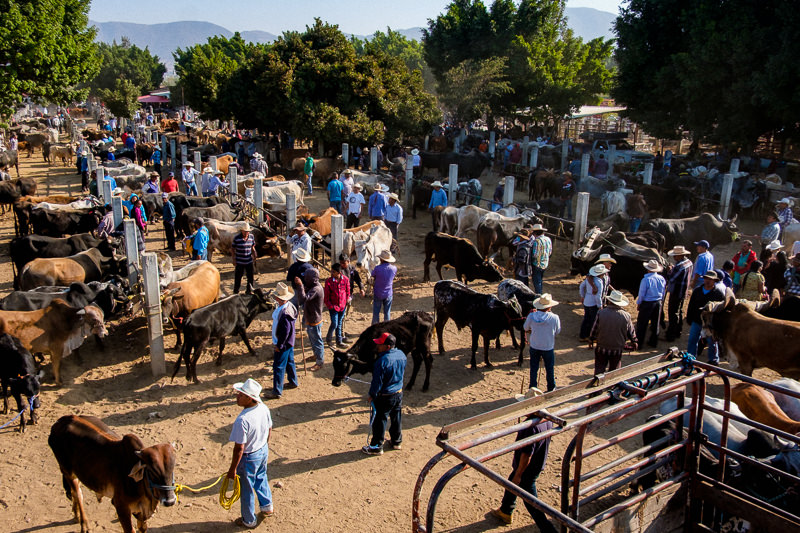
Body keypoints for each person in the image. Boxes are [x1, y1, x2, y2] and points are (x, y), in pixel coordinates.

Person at [490, 388, 557, 532]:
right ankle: (505, 510)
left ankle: (548, 530)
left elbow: (526, 454)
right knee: (511, 481)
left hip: (527, 467)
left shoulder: (529, 427)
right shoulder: (547, 420)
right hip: (537, 465)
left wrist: (519, 474)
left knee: (531, 501)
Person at [227, 378, 273, 529]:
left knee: (246, 488)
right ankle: (267, 506)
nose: (237, 396)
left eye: (241, 394)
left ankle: (248, 520)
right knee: (261, 477)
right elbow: (269, 429)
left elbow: (239, 448)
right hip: (262, 449)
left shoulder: (242, 420)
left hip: (248, 457)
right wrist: (264, 445)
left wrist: (232, 469)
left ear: (249, 398)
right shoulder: (263, 408)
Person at [362, 333, 405, 455]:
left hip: (385, 395)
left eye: (380, 344)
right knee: (396, 417)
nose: (377, 346)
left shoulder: (382, 361)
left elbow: (377, 382)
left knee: (380, 420)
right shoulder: (401, 355)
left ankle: (376, 446)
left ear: (387, 347)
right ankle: (396, 441)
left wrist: (372, 394)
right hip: (398, 392)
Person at [264, 283, 299, 400]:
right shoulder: (289, 306)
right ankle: (293, 381)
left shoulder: (284, 313)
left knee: (278, 366)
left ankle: (277, 391)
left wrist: (279, 345)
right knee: (289, 361)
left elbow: (284, 332)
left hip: (283, 343)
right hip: (289, 341)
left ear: (279, 298)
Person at [590, 290, 638, 374]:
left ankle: (597, 383)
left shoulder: (601, 313)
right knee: (614, 370)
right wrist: (634, 341)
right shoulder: (626, 316)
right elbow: (631, 332)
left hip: (602, 346)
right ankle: (612, 385)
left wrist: (591, 339)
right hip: (617, 348)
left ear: (609, 301)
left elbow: (595, 329)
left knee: (599, 367)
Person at [686, 271, 725, 364]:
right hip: (697, 320)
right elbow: (691, 305)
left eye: (710, 279)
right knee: (692, 340)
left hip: (710, 323)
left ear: (714, 281)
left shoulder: (718, 294)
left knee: (712, 342)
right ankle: (690, 358)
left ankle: (713, 360)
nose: (707, 281)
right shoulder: (697, 290)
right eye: (706, 278)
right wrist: (689, 317)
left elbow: (721, 310)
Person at [524, 294, 561, 392]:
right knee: (549, 368)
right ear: (549, 307)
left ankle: (532, 387)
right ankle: (551, 387)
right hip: (547, 346)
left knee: (534, 368)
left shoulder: (532, 316)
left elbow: (525, 328)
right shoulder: (554, 317)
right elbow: (557, 331)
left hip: (535, 345)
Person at [295, 268, 325, 371]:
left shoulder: (316, 289)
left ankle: (320, 361)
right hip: (310, 317)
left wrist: (299, 286)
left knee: (317, 341)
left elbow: (303, 299)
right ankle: (316, 355)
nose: (304, 279)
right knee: (313, 340)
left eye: (306, 277)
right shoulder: (312, 286)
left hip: (314, 319)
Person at [665, 245, 693, 342]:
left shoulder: (679, 266)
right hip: (683, 291)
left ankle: (671, 334)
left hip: (676, 292)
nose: (674, 257)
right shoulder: (689, 262)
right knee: (680, 311)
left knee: (672, 313)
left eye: (675, 256)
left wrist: (669, 271)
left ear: (681, 255)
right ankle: (678, 330)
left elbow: (671, 278)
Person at [636, 260, 666, 348]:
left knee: (642, 324)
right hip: (658, 302)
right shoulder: (661, 279)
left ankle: (639, 343)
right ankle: (653, 342)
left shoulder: (645, 280)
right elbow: (663, 292)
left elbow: (641, 293)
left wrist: (639, 303)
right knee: (655, 323)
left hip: (647, 303)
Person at [324, 263, 350, 348]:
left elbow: (347, 292)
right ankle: (329, 338)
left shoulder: (345, 280)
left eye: (333, 272)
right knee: (335, 324)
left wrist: (345, 301)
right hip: (333, 307)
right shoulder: (329, 282)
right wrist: (331, 306)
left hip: (342, 306)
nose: (331, 273)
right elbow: (326, 297)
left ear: (339, 272)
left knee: (339, 324)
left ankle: (339, 341)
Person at [339, 254, 364, 338]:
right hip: (341, 296)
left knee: (345, 314)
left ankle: (342, 331)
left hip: (349, 295)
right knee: (342, 316)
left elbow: (358, 279)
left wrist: (361, 288)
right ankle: (341, 334)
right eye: (341, 263)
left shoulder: (352, 269)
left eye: (344, 263)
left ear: (348, 262)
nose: (342, 265)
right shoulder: (338, 270)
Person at [579, 264, 606, 341]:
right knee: (593, 321)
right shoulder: (599, 282)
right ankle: (592, 337)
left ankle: (583, 335)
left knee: (586, 319)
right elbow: (598, 296)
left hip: (587, 301)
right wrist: (600, 305)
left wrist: (583, 296)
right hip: (594, 303)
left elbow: (581, 286)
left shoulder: (588, 279)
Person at [371, 250, 397, 324]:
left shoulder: (377, 268)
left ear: (381, 259)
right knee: (387, 312)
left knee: (376, 313)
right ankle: (387, 327)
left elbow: (373, 275)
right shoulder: (394, 268)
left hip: (378, 292)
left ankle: (375, 327)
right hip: (388, 293)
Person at [232, 223, 257, 294]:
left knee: (250, 278)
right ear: (242, 231)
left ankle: (249, 291)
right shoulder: (237, 238)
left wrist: (254, 252)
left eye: (248, 231)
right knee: (238, 277)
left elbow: (252, 246)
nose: (247, 233)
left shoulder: (251, 237)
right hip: (240, 262)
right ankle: (236, 292)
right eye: (245, 231)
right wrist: (234, 259)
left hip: (249, 261)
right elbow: (233, 248)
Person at [529, 224, 552, 295]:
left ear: (535, 233)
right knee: (540, 279)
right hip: (545, 263)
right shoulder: (548, 239)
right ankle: (540, 293)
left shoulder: (537, 241)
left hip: (537, 264)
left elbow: (535, 255)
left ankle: (539, 295)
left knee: (537, 281)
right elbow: (550, 252)